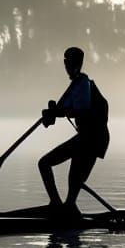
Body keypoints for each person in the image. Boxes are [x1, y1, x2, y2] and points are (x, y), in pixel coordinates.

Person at [37, 46, 109, 220]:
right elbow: (55, 117)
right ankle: (58, 205)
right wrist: (50, 115)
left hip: (94, 139)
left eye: (71, 62)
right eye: (67, 62)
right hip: (84, 138)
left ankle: (67, 210)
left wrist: (58, 112)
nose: (68, 66)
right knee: (44, 164)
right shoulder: (74, 86)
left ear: (79, 63)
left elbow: (82, 110)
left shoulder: (84, 83)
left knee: (73, 180)